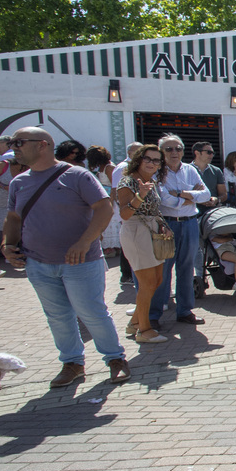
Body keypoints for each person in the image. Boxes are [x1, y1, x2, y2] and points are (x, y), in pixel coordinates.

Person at [1, 127, 129, 387]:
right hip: (38, 262)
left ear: (43, 145)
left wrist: (84, 242)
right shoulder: (19, 182)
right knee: (57, 316)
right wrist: (8, 245)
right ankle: (72, 363)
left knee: (92, 312)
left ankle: (115, 359)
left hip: (81, 262)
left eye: (20, 142)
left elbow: (104, 209)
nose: (14, 147)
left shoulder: (77, 176)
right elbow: (13, 218)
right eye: (12, 142)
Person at [148, 133, 211, 330]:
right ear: (161, 152)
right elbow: (164, 200)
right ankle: (154, 315)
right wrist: (192, 197)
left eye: (178, 148)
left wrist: (181, 194)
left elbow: (207, 195)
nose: (175, 152)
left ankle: (184, 311)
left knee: (186, 268)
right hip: (167, 224)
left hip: (190, 223)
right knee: (163, 270)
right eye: (169, 149)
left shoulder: (190, 170)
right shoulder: (157, 172)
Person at [115, 145, 168, 343]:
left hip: (152, 230)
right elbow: (125, 214)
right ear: (139, 159)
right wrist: (140, 196)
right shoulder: (127, 182)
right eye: (149, 159)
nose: (152, 163)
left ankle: (135, 323)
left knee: (156, 280)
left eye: (157, 160)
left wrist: (162, 224)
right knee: (146, 283)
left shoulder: (151, 181)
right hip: (136, 232)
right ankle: (143, 331)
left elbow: (154, 209)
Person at [111, 142, 142, 284]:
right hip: (129, 212)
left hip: (138, 211)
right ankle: (127, 275)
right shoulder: (123, 168)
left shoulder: (138, 167)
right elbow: (116, 191)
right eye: (137, 151)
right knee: (129, 243)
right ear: (129, 153)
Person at [86, 145, 122, 257]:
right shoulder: (102, 167)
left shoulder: (109, 167)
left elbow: (114, 186)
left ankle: (112, 248)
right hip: (104, 198)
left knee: (111, 222)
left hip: (110, 199)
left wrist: (110, 203)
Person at [191, 141, 227, 211]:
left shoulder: (216, 171)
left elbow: (224, 194)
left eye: (213, 153)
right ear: (197, 153)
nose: (212, 155)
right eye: (209, 152)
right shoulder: (186, 170)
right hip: (191, 210)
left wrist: (216, 199)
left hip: (212, 211)